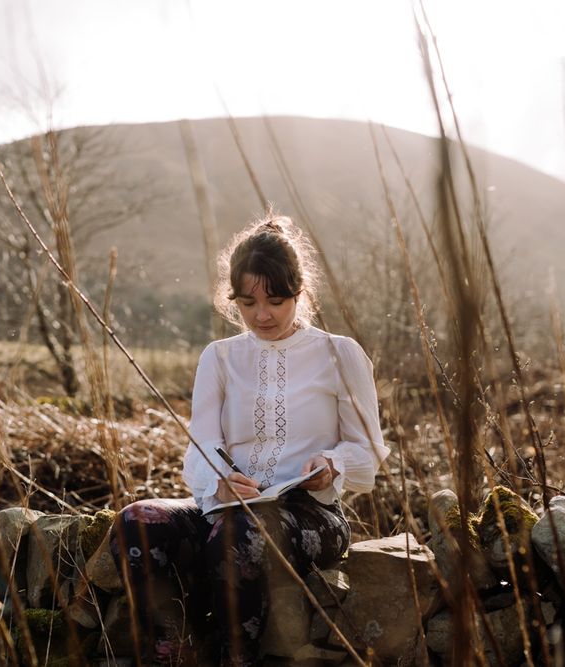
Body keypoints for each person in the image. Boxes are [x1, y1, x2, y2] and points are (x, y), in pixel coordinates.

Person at [111, 213, 390, 666]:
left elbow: (369, 451)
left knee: (242, 533)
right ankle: (169, 652)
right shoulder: (219, 358)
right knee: (139, 518)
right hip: (226, 511)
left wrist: (333, 465)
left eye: (276, 300)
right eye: (247, 302)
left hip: (311, 516)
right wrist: (217, 483)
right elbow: (199, 448)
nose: (261, 314)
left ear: (299, 292)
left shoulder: (339, 353)